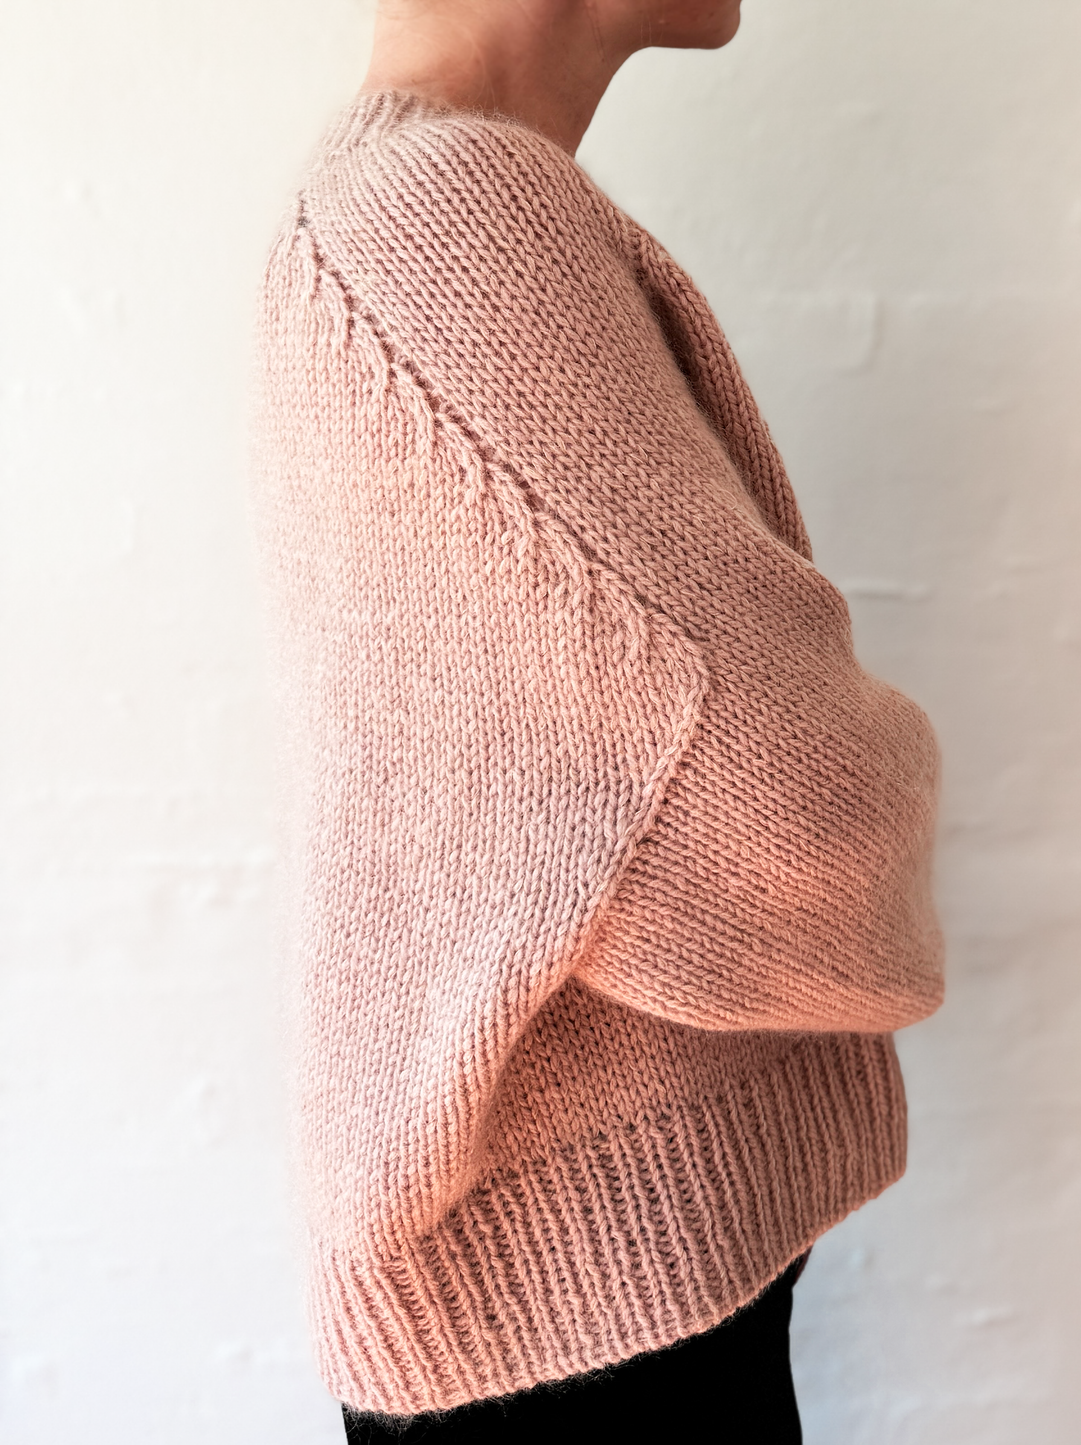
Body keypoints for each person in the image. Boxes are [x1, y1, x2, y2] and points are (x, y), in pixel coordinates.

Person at [250, 1, 945, 1439]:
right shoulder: (438, 213)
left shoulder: (393, 204)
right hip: (573, 1318)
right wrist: (894, 795)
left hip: (570, 1280)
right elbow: (800, 805)